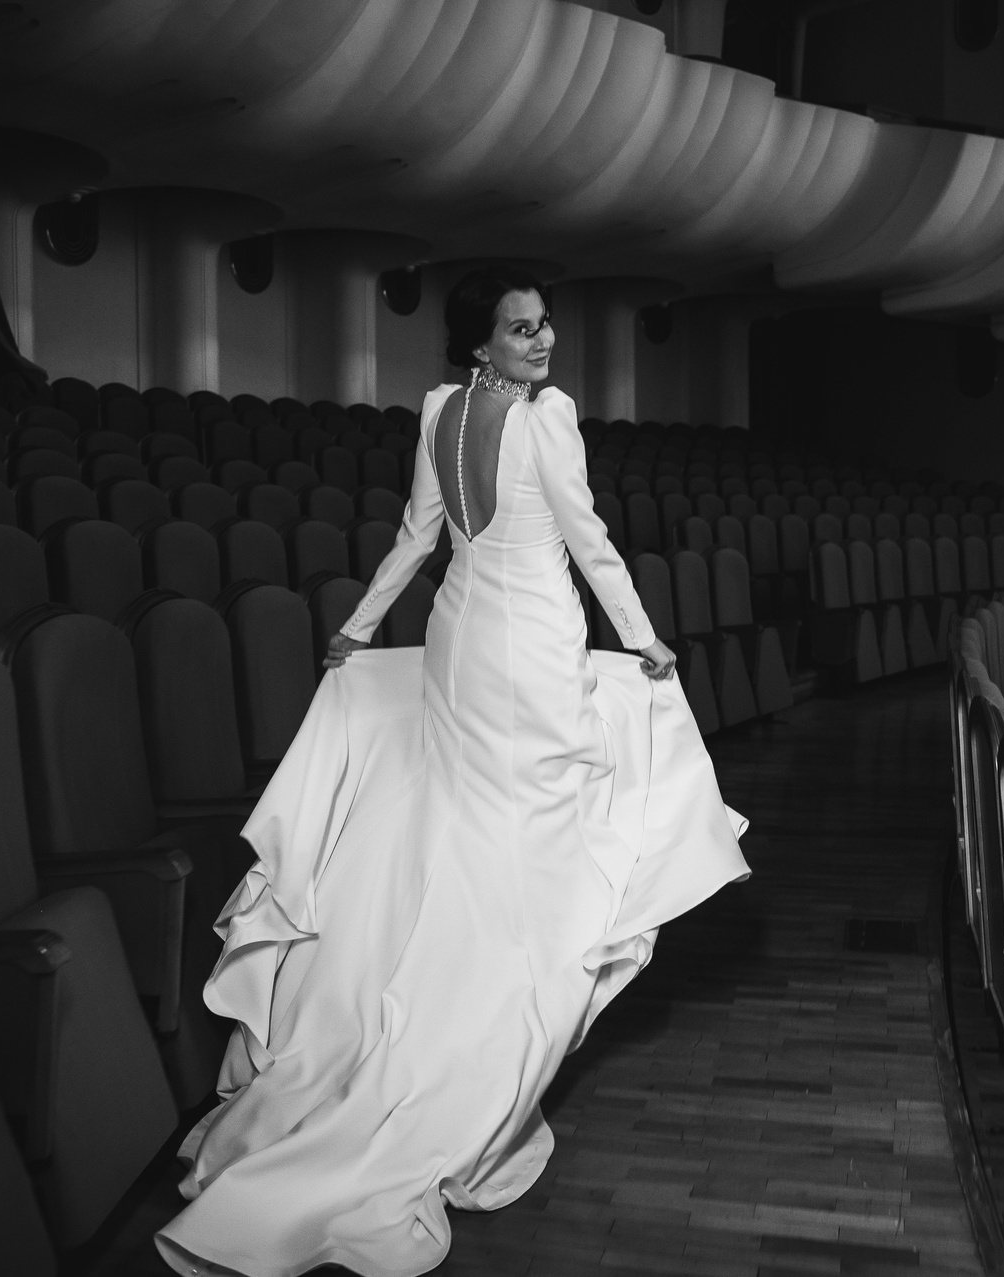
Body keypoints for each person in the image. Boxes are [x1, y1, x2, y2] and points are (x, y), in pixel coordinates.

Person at [156, 267, 750, 1277]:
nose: (543, 340)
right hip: (529, 643)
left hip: (458, 637)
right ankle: (492, 1021)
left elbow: (418, 538)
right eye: (521, 329)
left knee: (471, 821)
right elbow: (590, 541)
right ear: (482, 344)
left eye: (545, 324)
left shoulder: (439, 410)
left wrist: (358, 624)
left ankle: (439, 992)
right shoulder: (549, 419)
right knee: (546, 829)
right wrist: (644, 636)